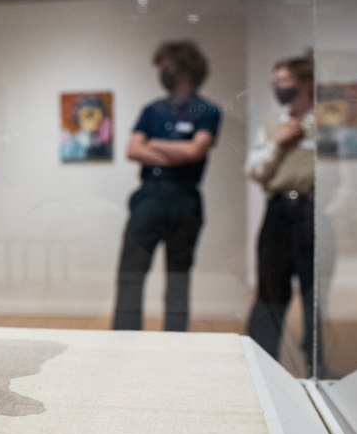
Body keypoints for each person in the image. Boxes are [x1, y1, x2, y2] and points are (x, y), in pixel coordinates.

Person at [112, 41, 222, 332]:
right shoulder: (152, 110)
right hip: (148, 196)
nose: (162, 73)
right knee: (130, 272)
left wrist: (156, 143)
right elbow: (133, 150)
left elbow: (195, 152)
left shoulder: (208, 110)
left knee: (178, 276)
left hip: (185, 198)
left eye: (167, 67)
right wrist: (178, 151)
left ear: (185, 69)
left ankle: (176, 339)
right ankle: (123, 336)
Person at [244, 54, 318, 370]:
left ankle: (318, 366)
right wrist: (280, 143)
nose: (279, 87)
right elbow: (255, 169)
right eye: (276, 82)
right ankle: (262, 362)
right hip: (278, 212)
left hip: (313, 211)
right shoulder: (273, 124)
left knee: (316, 293)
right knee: (271, 289)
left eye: (285, 81)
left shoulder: (324, 123)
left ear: (306, 83)